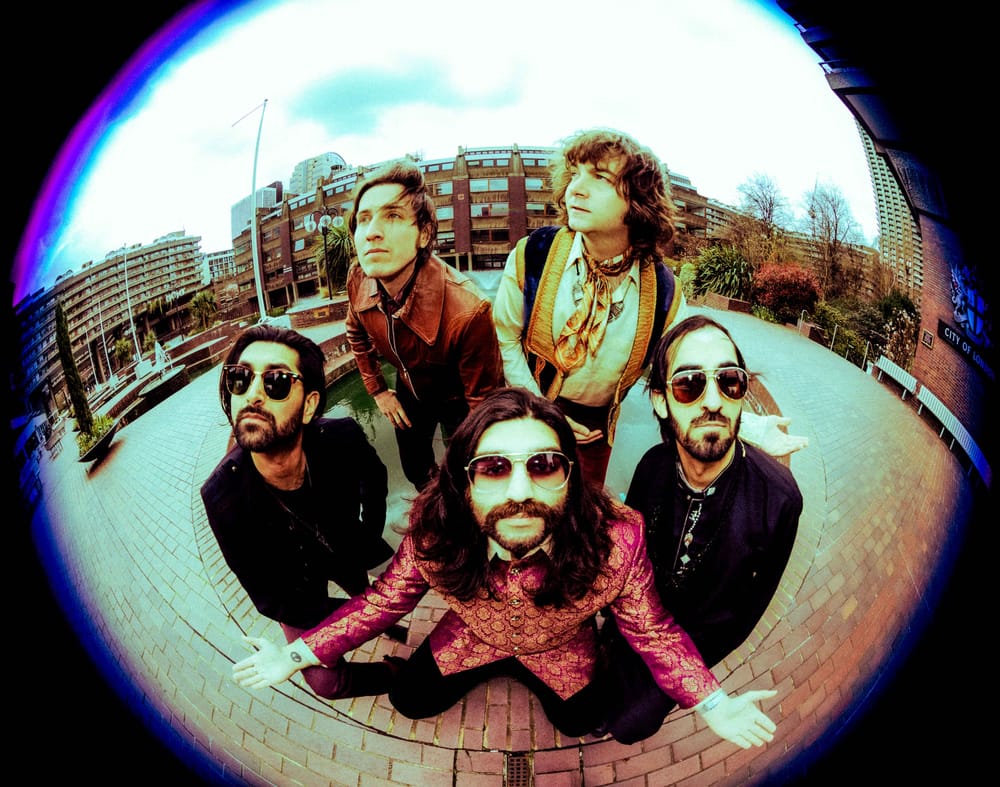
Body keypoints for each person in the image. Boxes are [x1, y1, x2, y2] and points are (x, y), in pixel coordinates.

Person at [232, 387, 778, 750]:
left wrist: (711, 701)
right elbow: (384, 601)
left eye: (544, 465)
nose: (520, 491)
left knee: (579, 721)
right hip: (470, 639)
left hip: (563, 651)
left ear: (570, 475)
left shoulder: (618, 539)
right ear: (464, 479)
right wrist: (297, 653)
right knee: (410, 700)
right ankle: (426, 671)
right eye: (494, 467)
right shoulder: (437, 532)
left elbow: (652, 630)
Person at [492, 128, 806, 487]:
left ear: (637, 201)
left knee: (580, 511)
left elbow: (683, 375)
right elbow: (505, 338)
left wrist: (746, 426)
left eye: (600, 177)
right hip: (525, 409)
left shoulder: (664, 293)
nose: (575, 189)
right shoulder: (534, 253)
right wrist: (540, 408)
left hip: (593, 434)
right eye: (575, 173)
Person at [598, 314, 804, 743]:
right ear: (660, 401)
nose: (713, 401)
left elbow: (749, 611)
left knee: (630, 724)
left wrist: (699, 679)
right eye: (689, 384)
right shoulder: (652, 467)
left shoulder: (779, 499)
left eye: (729, 381)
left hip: (696, 642)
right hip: (634, 617)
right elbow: (628, 556)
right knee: (601, 681)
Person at [200, 324, 398, 699]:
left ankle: (387, 623)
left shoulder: (341, 437)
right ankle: (395, 673)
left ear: (308, 405)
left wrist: (368, 534)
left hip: (343, 544)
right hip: (294, 587)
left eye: (275, 382)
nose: (253, 394)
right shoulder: (223, 497)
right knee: (326, 682)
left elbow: (375, 480)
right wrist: (359, 617)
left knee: (364, 588)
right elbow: (271, 598)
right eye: (240, 379)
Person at [345, 159, 504, 490]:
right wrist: (378, 391)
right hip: (409, 384)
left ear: (424, 234)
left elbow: (483, 403)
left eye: (392, 216)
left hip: (459, 397)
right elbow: (356, 331)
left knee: (466, 470)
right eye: (364, 218)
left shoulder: (468, 311)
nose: (372, 232)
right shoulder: (359, 277)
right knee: (415, 467)